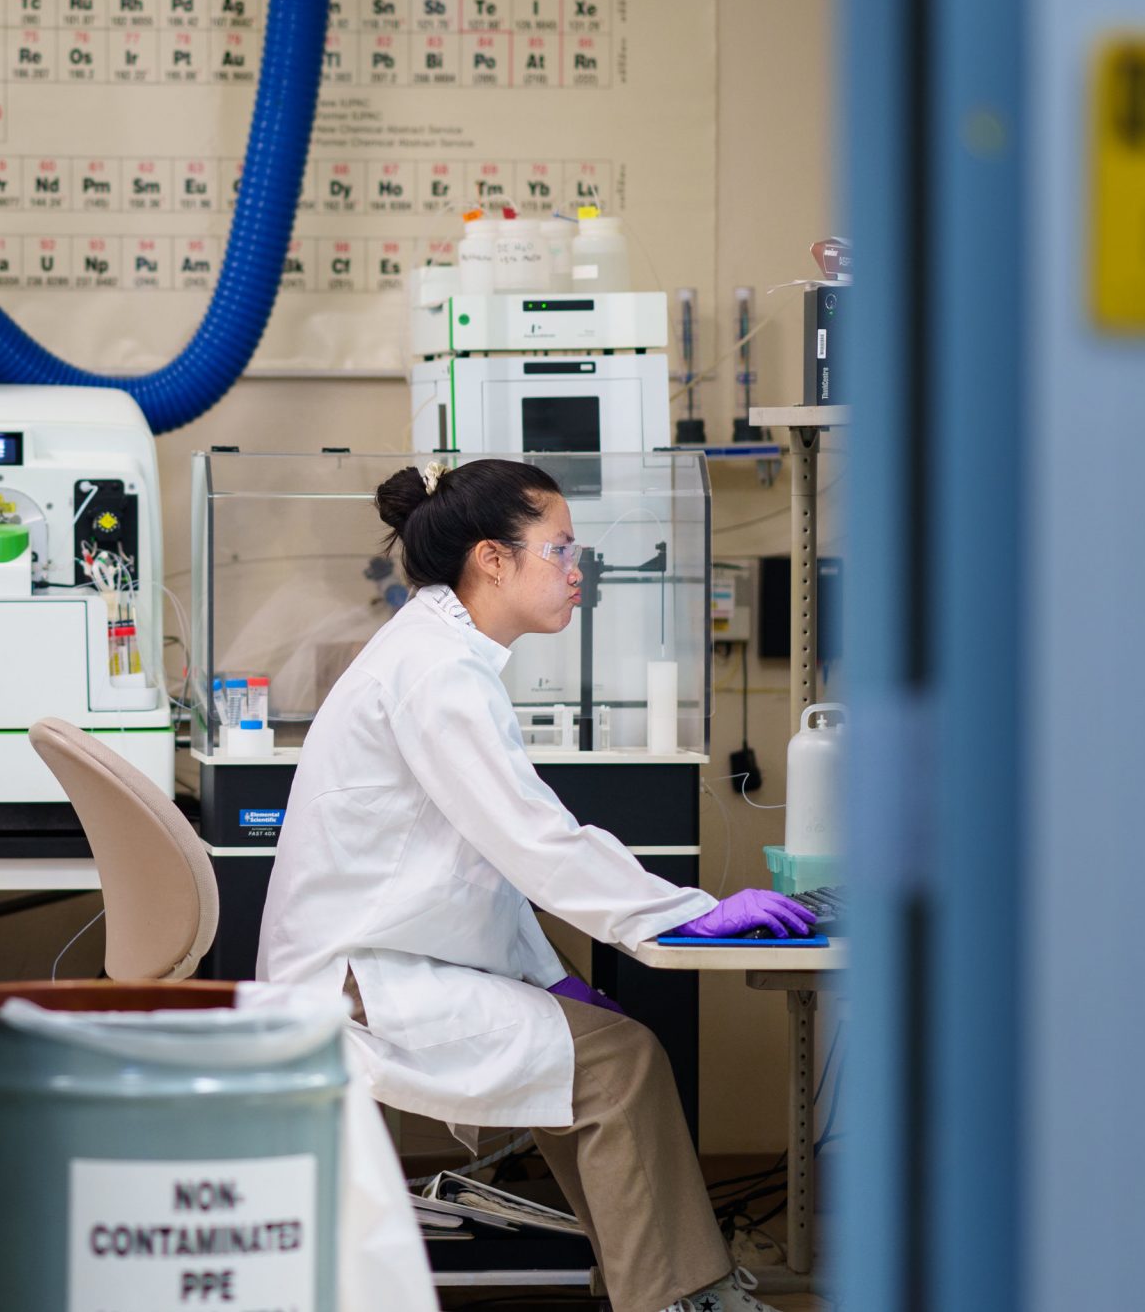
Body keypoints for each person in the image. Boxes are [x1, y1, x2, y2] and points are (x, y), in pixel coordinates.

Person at [257, 459, 816, 1312]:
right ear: (492, 559)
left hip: (377, 961)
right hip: (357, 984)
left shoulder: (440, 653)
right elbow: (535, 842)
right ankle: (680, 1298)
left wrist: (551, 976)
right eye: (558, 549)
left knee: (591, 1048)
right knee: (621, 1066)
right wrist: (693, 912)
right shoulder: (439, 673)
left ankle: (656, 1284)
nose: (575, 568)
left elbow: (477, 859)